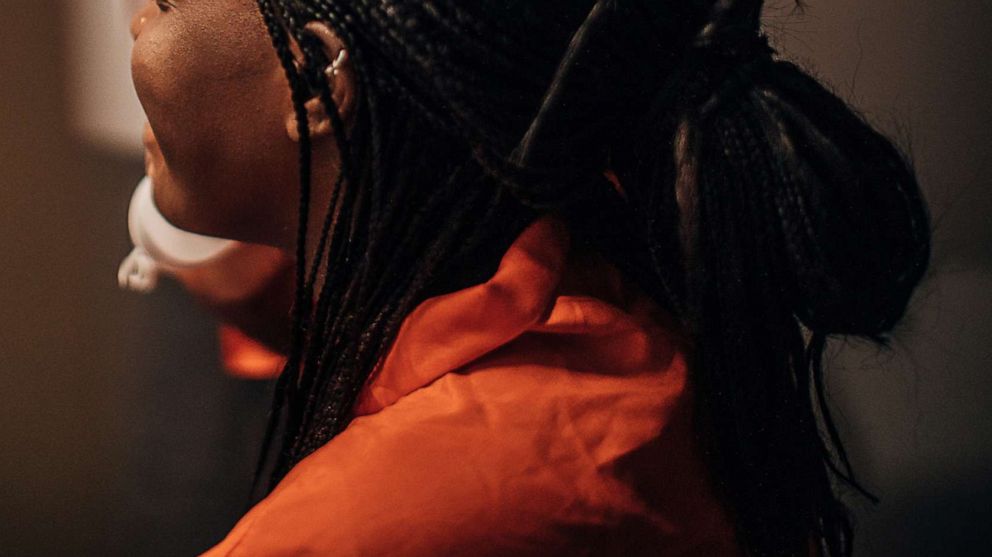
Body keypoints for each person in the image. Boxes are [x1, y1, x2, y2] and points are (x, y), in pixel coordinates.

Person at [128, 0, 931, 555]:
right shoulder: (617, 259)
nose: (134, 21)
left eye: (164, 2)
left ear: (313, 75)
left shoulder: (340, 532)